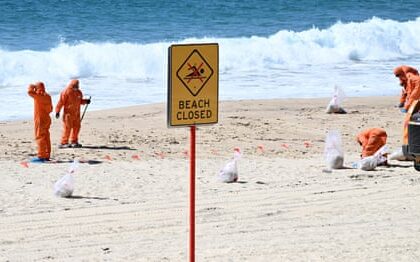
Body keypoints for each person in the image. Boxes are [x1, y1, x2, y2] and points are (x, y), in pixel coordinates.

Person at [55, 79, 91, 148]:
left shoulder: (79, 92)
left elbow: (80, 101)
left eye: (77, 85)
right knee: (67, 128)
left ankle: (74, 141)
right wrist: (57, 111)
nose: (76, 87)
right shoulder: (66, 92)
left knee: (77, 128)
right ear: (71, 85)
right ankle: (64, 142)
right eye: (74, 85)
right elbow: (61, 102)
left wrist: (86, 101)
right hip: (68, 114)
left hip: (77, 114)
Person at [393, 68, 420, 145]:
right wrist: (402, 102)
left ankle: (408, 145)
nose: (399, 78)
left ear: (402, 73)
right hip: (413, 104)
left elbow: (415, 94)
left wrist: (407, 106)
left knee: (409, 124)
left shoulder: (413, 78)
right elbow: (405, 92)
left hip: (415, 104)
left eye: (398, 76)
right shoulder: (407, 80)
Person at [28, 82, 53, 162]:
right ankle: (47, 155)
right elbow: (51, 109)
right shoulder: (48, 96)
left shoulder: (38, 96)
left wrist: (32, 86)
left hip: (40, 119)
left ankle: (42, 156)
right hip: (47, 119)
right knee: (46, 137)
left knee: (40, 137)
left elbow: (29, 92)